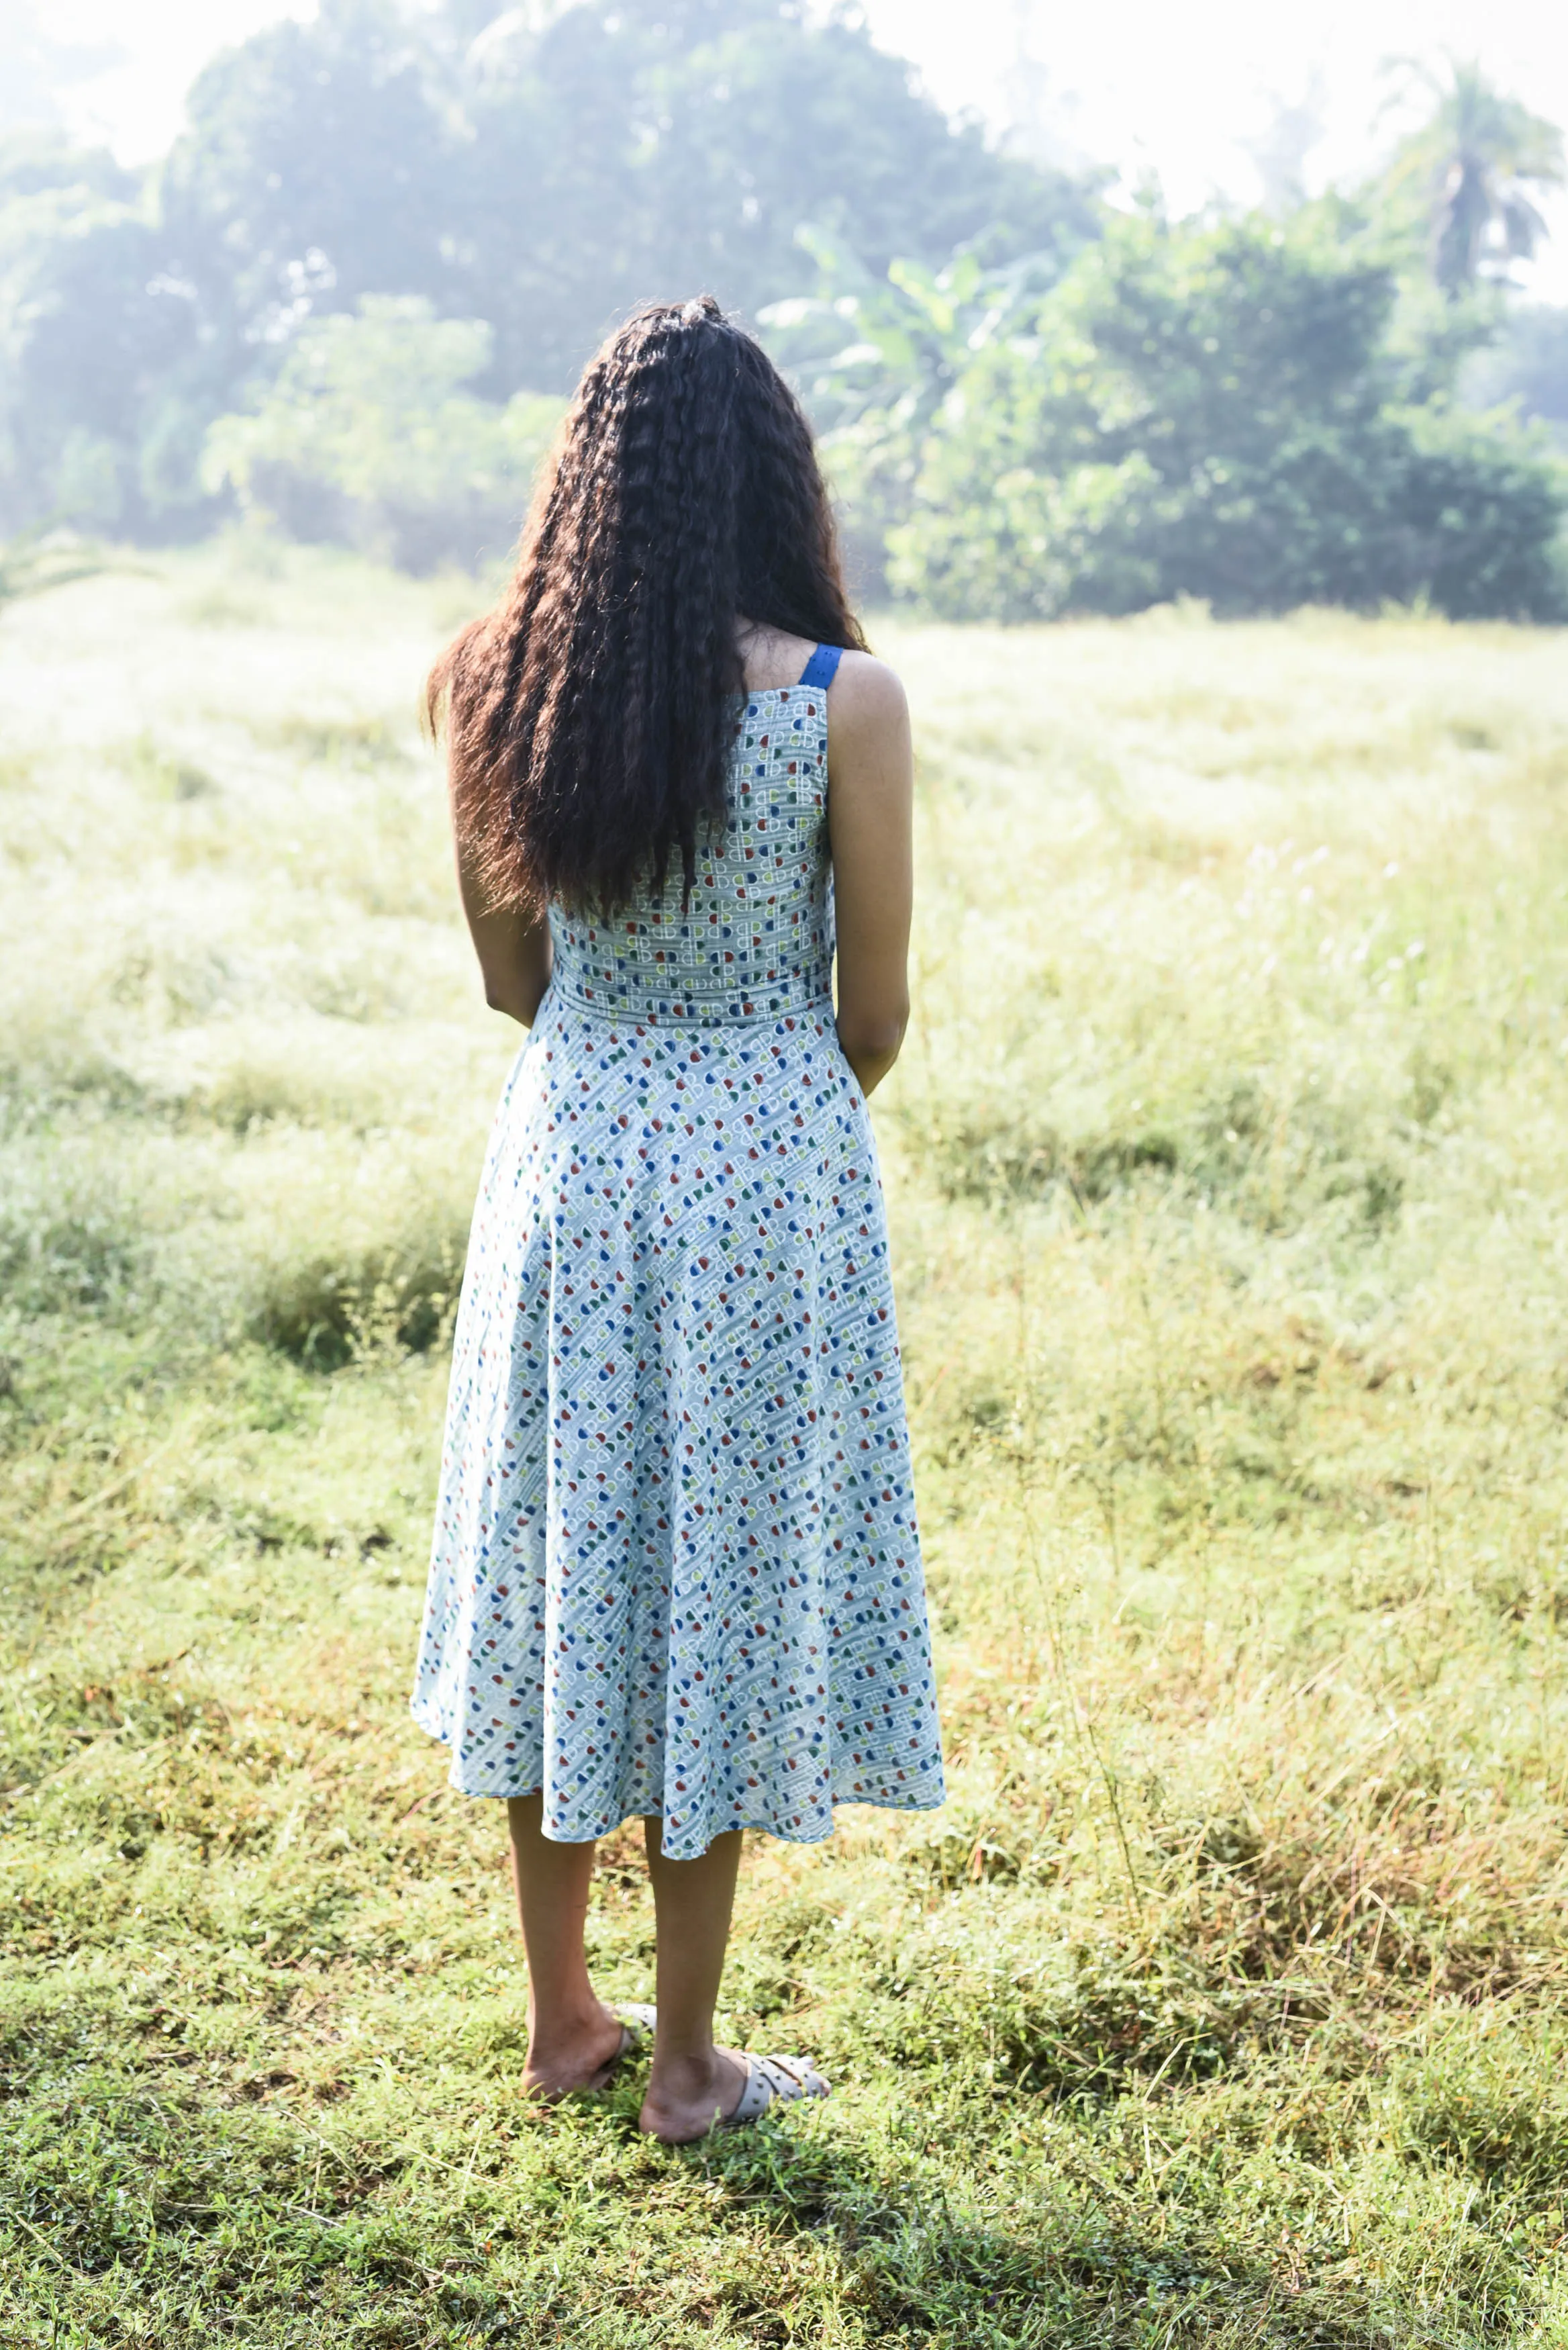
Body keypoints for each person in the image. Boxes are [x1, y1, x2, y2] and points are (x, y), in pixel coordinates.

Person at [412, 295, 944, 2143]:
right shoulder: (839, 703)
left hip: (569, 1155)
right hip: (766, 1178)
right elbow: (870, 1015)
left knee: (568, 1562)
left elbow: (507, 978)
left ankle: (564, 2015)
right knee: (715, 1578)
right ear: (773, 482)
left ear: (586, 481)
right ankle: (692, 2062)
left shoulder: (492, 680)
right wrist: (756, 1098)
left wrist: (626, 1056)